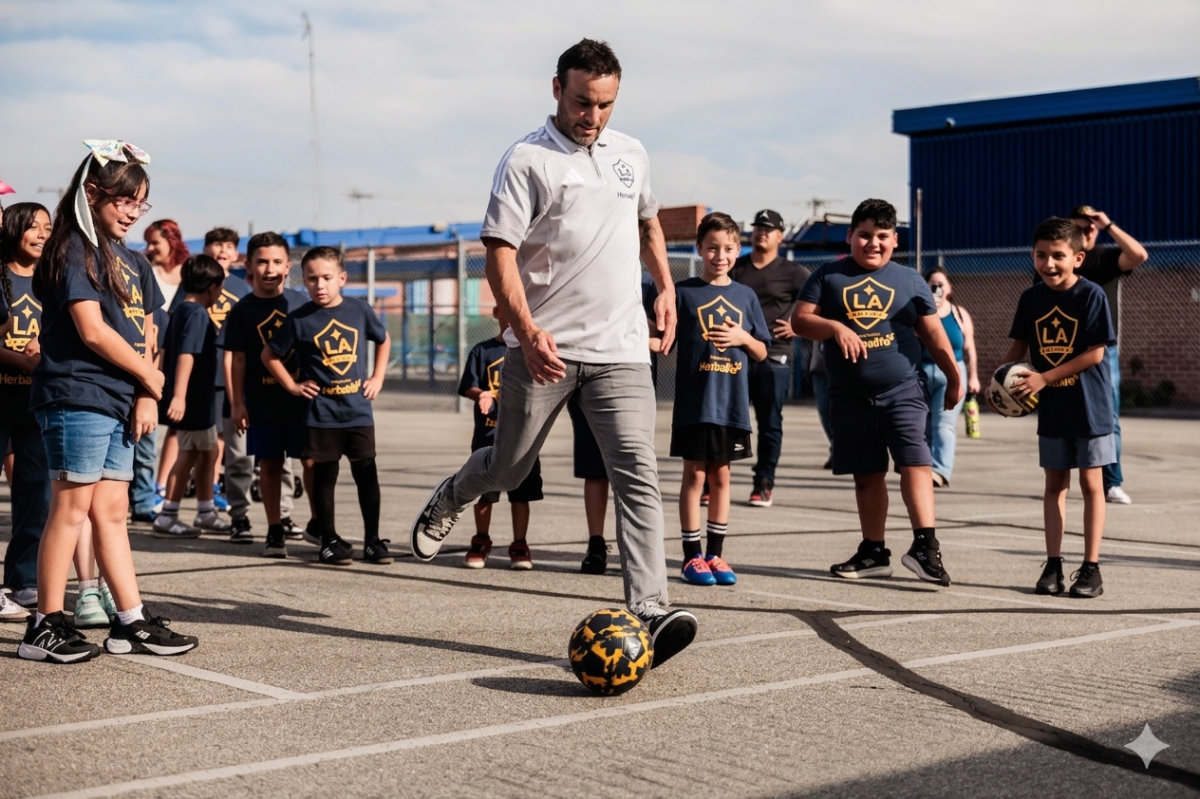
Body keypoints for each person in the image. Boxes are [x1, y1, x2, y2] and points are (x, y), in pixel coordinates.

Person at [409, 39, 697, 669]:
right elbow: (499, 252)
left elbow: (649, 221)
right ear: (556, 90)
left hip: (621, 350)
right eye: (582, 102)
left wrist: (667, 286)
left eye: (605, 105)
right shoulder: (526, 161)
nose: (593, 116)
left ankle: (648, 605)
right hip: (544, 352)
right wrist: (526, 327)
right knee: (509, 469)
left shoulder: (632, 154)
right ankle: (455, 494)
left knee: (637, 475)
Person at [21, 139, 198, 662]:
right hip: (76, 393)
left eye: (140, 203)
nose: (131, 213)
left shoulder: (134, 262)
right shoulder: (73, 248)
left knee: (114, 511)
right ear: (92, 193)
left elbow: (146, 334)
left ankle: (130, 621)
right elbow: (92, 331)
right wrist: (150, 375)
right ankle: (44, 623)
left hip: (121, 399)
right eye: (124, 201)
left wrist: (147, 392)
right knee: (71, 508)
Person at [792, 198, 961, 587]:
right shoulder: (827, 275)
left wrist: (954, 376)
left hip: (901, 389)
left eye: (882, 236)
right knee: (866, 475)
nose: (873, 243)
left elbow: (933, 334)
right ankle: (874, 551)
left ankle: (925, 547)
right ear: (850, 236)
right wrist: (835, 328)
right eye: (864, 235)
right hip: (849, 396)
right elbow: (800, 320)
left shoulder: (910, 280)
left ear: (894, 239)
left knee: (915, 463)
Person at [999, 217, 1115, 598]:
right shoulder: (1030, 298)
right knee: (1054, 484)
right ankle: (1053, 565)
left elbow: (1095, 354)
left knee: (1091, 484)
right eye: (1041, 255)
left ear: (1078, 258)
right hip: (1053, 409)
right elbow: (1018, 349)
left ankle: (1091, 568)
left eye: (1058, 256)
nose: (1049, 264)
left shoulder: (1091, 295)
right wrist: (1000, 381)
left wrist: (1044, 378)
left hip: (1090, 407)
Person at [264, 246, 391, 565]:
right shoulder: (299, 319)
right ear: (303, 281)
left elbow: (383, 338)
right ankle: (329, 540)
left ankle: (373, 541)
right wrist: (292, 385)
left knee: (366, 474)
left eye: (327, 278)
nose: (319, 285)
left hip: (357, 411)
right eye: (312, 279)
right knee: (324, 477)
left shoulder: (359, 311)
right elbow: (269, 355)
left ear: (342, 278)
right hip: (320, 415)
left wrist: (377, 377)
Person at [670, 212, 769, 586]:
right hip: (696, 404)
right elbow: (662, 340)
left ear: (738, 249)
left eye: (728, 248)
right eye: (712, 248)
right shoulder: (684, 293)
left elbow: (761, 351)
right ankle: (691, 557)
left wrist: (743, 338)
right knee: (694, 476)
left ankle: (716, 554)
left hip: (731, 405)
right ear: (698, 249)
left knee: (722, 477)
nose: (719, 255)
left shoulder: (745, 296)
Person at [226, 232, 312, 558]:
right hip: (262, 402)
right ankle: (274, 530)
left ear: (289, 266)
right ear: (249, 266)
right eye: (262, 261)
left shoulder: (303, 304)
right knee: (270, 464)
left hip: (303, 401)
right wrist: (236, 403)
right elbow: (236, 359)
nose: (270, 268)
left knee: (312, 462)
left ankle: (322, 525)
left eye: (277, 261)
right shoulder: (241, 311)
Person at [574, 270, 660, 575]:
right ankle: (596, 544)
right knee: (594, 469)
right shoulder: (586, 265)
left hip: (629, 380)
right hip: (585, 375)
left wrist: (635, 323)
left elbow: (663, 336)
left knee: (632, 468)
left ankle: (635, 554)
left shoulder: (649, 281)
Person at [730, 209, 810, 507]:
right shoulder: (736, 268)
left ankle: (763, 482)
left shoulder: (793, 272)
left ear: (781, 235)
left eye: (769, 228)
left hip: (775, 354)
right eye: (758, 227)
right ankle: (714, 480)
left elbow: (817, 302)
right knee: (727, 420)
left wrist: (796, 325)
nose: (762, 232)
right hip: (736, 352)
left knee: (769, 421)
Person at [1068, 205, 1147, 505]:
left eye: (1091, 227)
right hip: (1066, 347)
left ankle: (1111, 482)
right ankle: (1064, 474)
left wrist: (1108, 224)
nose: (1087, 231)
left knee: (1108, 417)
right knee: (1065, 415)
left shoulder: (1106, 258)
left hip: (1103, 350)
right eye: (1079, 227)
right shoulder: (1064, 261)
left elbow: (1139, 255)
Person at [151, 255, 231, 538]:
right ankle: (169, 514)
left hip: (199, 401)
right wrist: (179, 397)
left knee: (208, 451)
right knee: (189, 453)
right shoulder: (197, 315)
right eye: (220, 288)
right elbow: (186, 355)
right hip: (194, 401)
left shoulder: (181, 310)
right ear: (212, 287)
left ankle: (205, 510)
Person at [458, 307, 542, 570]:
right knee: (484, 492)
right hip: (488, 435)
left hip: (524, 436)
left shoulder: (532, 349)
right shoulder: (482, 351)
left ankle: (520, 544)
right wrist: (481, 394)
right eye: (507, 310)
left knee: (522, 494)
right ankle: (481, 541)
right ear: (496, 313)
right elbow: (468, 386)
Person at [0, 203, 51, 617]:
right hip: (1, 397)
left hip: (36, 405)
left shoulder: (54, 281)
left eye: (48, 228)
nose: (41, 234)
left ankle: (22, 579)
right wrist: (17, 359)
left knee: (36, 493)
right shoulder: (1, 277)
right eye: (32, 227)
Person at [202, 228, 254, 534]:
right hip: (201, 367)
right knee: (201, 434)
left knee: (224, 436)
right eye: (216, 244)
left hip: (229, 373)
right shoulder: (193, 281)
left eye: (229, 246)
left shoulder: (241, 288)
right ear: (206, 249)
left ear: (236, 254)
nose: (222, 250)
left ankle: (216, 486)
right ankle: (206, 489)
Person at [920, 266, 981, 488]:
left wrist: (973, 377)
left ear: (949, 288)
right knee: (920, 424)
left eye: (940, 285)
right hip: (922, 371)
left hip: (953, 372)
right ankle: (920, 467)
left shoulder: (959, 313)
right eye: (932, 285)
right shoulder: (920, 312)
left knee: (944, 425)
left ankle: (939, 471)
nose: (936, 288)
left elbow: (970, 347)